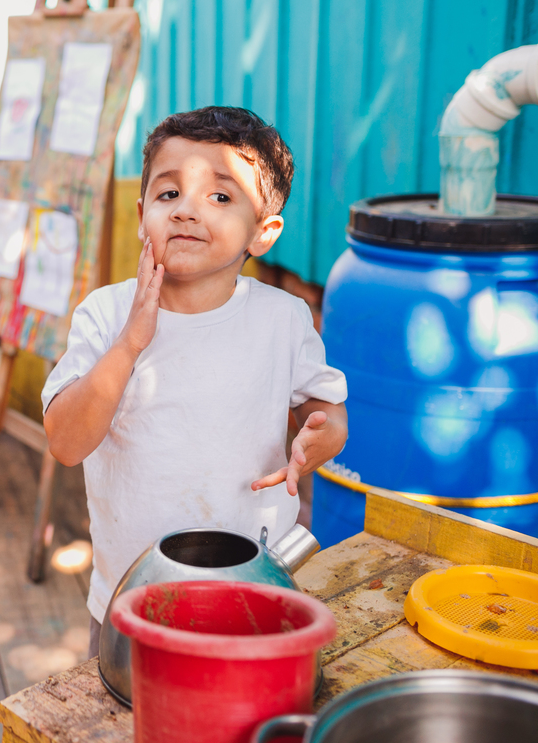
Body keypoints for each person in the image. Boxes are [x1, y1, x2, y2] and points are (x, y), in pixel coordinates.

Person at [41, 106, 348, 657]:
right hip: (131, 605)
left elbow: (327, 410)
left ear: (263, 232)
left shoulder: (284, 319)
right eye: (169, 194)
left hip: (253, 591)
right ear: (142, 216)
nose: (186, 211)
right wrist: (132, 342)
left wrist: (321, 437)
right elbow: (65, 442)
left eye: (221, 196)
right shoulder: (105, 316)